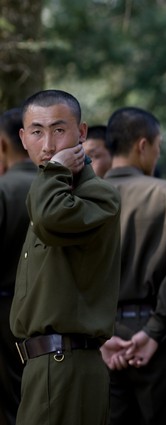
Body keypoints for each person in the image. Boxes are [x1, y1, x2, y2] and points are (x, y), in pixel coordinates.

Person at [9, 89, 121, 425]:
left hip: (64, 363)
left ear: (81, 133)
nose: (48, 146)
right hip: (46, 365)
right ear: (23, 138)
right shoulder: (51, 192)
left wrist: (54, 170)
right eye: (37, 132)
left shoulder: (96, 194)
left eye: (59, 130)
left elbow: (49, 219)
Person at [101, 107, 166, 425]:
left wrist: (101, 336)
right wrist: (153, 332)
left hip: (101, 340)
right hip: (158, 337)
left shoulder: (83, 199)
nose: (157, 154)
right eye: (157, 146)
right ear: (142, 145)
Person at [0, 107, 37, 425]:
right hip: (51, 315)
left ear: (2, 144)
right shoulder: (60, 188)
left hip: (5, 313)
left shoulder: (4, 189)